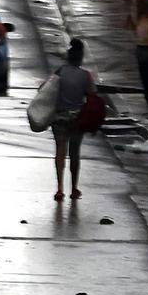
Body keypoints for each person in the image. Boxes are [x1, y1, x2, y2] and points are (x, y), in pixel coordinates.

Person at [50, 37, 95, 203]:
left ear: (68, 57)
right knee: (74, 154)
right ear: (81, 58)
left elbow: (47, 88)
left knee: (60, 152)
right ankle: (74, 188)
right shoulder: (86, 75)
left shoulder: (60, 72)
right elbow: (92, 94)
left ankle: (60, 188)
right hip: (77, 119)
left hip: (59, 118)